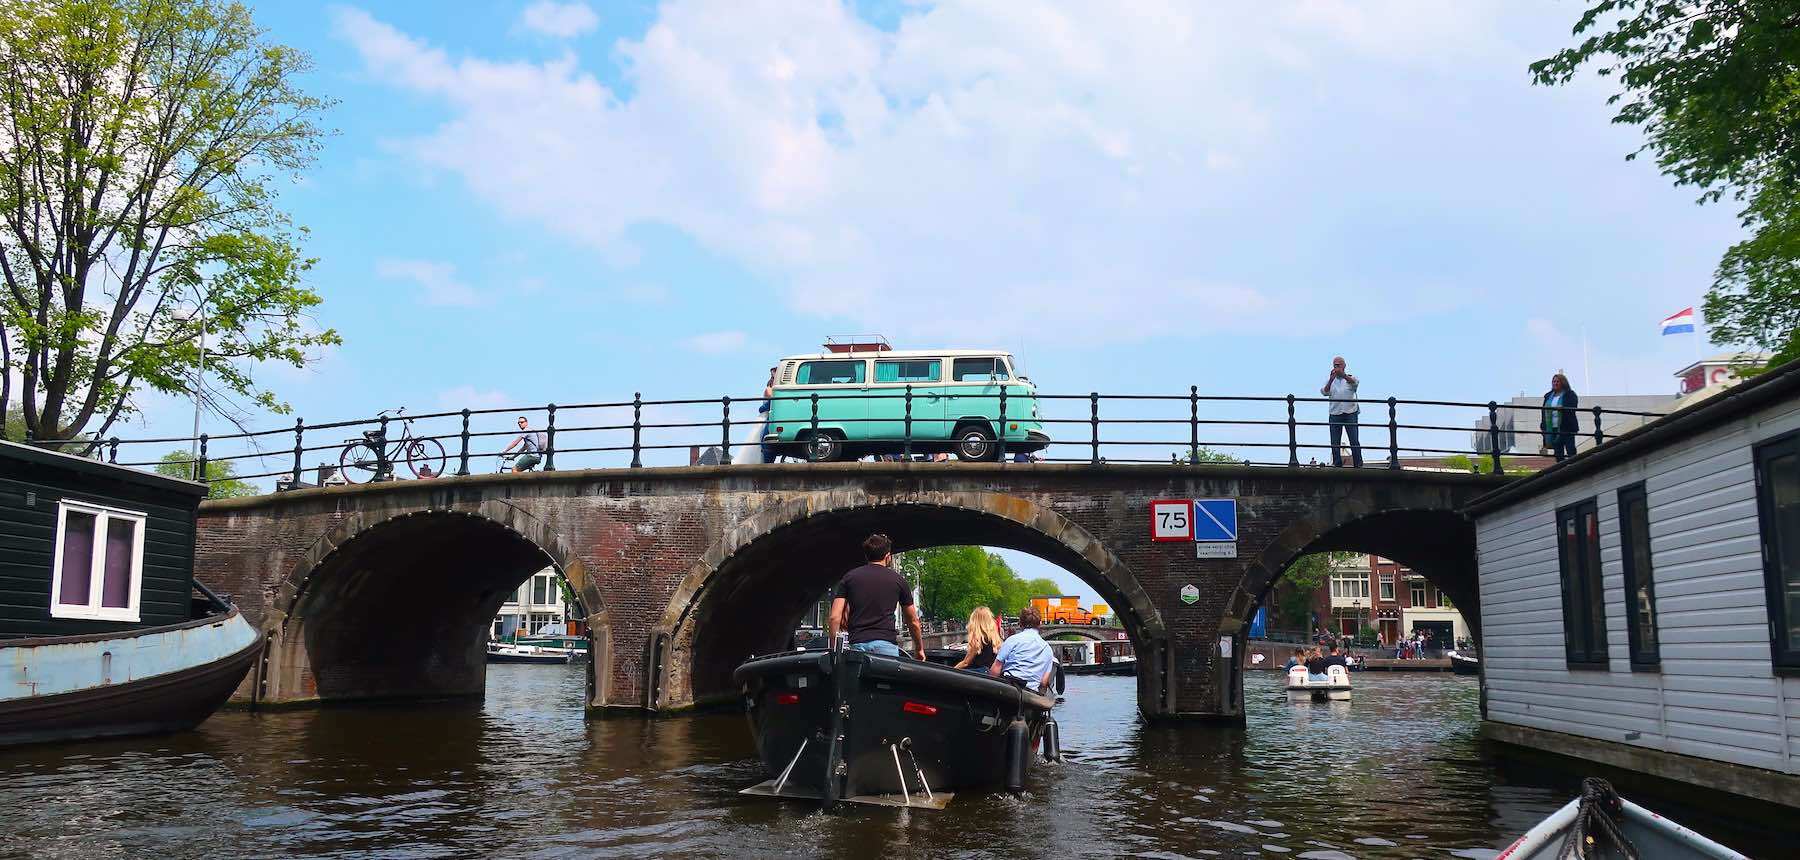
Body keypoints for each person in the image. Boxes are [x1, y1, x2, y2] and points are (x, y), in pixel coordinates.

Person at [828, 533, 925, 660]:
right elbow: (913, 621)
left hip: (857, 645)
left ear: (866, 555)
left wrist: (835, 649)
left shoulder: (849, 578)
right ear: (888, 556)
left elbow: (834, 617)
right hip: (886, 645)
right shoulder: (898, 580)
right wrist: (919, 649)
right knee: (887, 680)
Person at [991, 605, 1055, 692]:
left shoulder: (1012, 641)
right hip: (1030, 693)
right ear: (1040, 624)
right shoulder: (1047, 649)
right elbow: (1043, 681)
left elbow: (996, 670)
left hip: (1008, 688)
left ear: (1020, 623)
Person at [1320, 356, 1363, 468]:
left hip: (1350, 412)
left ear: (1344, 366)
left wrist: (1343, 375)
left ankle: (1358, 463)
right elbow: (1324, 392)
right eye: (1335, 365)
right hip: (1335, 413)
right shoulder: (1331, 380)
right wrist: (1331, 379)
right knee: (1335, 441)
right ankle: (1337, 463)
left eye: (1338, 365)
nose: (1336, 367)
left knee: (1354, 439)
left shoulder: (1350, 378)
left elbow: (1355, 383)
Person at [1541, 372, 1581, 462]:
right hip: (1552, 428)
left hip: (1566, 427)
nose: (1555, 383)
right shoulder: (1548, 396)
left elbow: (1573, 407)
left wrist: (1563, 408)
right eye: (1553, 381)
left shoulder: (1570, 394)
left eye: (1557, 381)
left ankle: (1574, 468)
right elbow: (1543, 411)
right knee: (1558, 452)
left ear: (1563, 382)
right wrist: (1543, 426)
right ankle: (1561, 470)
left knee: (1570, 450)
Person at [955, 606, 1002, 672]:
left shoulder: (977, 638)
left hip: (978, 674)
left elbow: (966, 663)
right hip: (989, 674)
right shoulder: (994, 638)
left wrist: (951, 671)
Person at [758, 367, 779, 464]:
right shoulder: (769, 389)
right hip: (769, 416)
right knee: (766, 438)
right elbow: (770, 403)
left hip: (772, 415)